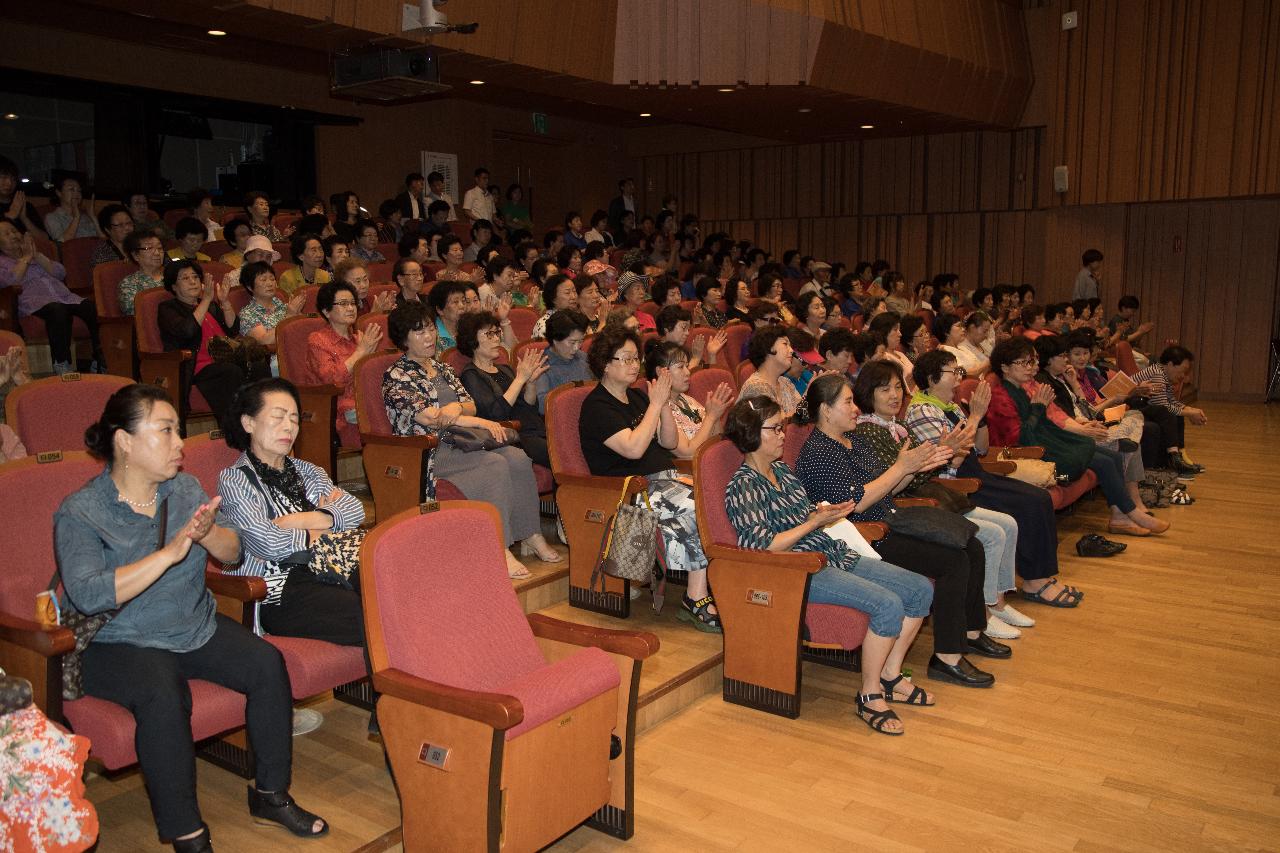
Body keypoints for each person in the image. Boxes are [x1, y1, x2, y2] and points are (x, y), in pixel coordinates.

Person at [56, 384, 327, 851]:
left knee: (266, 664)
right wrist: (169, 553)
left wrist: (207, 534)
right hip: (122, 640)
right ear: (124, 441)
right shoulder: (82, 512)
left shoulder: (182, 488)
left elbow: (233, 550)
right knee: (163, 695)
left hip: (193, 625)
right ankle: (187, 832)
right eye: (166, 431)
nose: (181, 443)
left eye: (179, 430)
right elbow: (88, 593)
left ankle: (270, 794)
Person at [723, 395, 935, 734]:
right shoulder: (743, 485)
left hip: (829, 551)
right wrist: (812, 523)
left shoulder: (781, 470)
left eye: (783, 426)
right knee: (887, 605)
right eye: (775, 428)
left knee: (920, 589)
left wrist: (825, 515)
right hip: (799, 569)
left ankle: (890, 676)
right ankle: (869, 695)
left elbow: (805, 516)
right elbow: (761, 544)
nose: (782, 435)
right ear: (751, 435)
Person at [795, 369, 1000, 687]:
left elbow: (888, 486)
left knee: (970, 544)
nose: (855, 409)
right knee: (952, 561)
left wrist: (915, 465)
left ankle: (971, 631)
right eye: (848, 402)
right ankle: (946, 658)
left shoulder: (852, 441)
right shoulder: (818, 453)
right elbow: (854, 505)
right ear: (825, 410)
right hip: (863, 535)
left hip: (888, 518)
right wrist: (902, 467)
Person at [382, 302, 554, 575]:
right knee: (494, 465)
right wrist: (462, 414)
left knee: (518, 457)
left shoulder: (443, 369)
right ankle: (500, 546)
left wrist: (456, 410)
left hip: (463, 440)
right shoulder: (397, 375)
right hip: (429, 449)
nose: (429, 337)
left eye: (429, 329)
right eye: (419, 332)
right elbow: (429, 418)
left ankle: (531, 533)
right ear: (404, 339)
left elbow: (470, 404)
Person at [217, 376, 369, 659]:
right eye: (277, 417)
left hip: (331, 564)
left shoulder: (308, 471)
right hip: (279, 588)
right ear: (248, 423)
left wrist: (295, 521)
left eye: (294, 419)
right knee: (374, 619)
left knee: (396, 591)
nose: (289, 426)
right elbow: (267, 543)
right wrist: (322, 526)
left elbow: (355, 510)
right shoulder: (235, 479)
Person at [580, 326, 720, 631]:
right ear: (606, 363)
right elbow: (633, 449)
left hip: (663, 479)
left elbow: (669, 443)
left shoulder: (636, 397)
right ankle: (696, 596)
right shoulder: (597, 406)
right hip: (631, 492)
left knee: (720, 498)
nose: (634, 365)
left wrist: (663, 403)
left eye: (636, 359)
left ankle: (710, 586)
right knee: (700, 506)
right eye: (627, 359)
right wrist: (656, 404)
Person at [985, 336, 1169, 537]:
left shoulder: (1022, 388)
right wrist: (1039, 407)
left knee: (1113, 457)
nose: (1030, 367)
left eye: (1031, 361)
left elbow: (1047, 422)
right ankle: (1128, 514)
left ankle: (1120, 515)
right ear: (1004, 367)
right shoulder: (1001, 397)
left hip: (1046, 442)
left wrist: (1042, 408)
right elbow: (1021, 438)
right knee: (1104, 461)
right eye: (1023, 363)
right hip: (1024, 453)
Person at [158, 259, 259, 430]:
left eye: (196, 277)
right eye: (185, 278)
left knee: (258, 366)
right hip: (196, 366)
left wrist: (225, 302)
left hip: (225, 359)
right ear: (173, 286)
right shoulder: (168, 308)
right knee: (230, 372)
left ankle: (258, 421)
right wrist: (205, 300)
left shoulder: (211, 306)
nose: (193, 281)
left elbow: (232, 329)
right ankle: (235, 429)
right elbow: (187, 331)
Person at [0, 219, 104, 374]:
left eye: (14, 231)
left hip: (65, 297)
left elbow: (60, 273)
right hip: (34, 303)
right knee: (58, 310)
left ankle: (100, 360)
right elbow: (11, 281)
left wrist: (37, 255)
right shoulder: (2, 262)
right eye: (7, 233)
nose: (14, 235)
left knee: (91, 307)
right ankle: (62, 363)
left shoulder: (36, 255)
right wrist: (26, 258)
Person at [458, 310, 552, 469]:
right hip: (511, 437)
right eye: (490, 334)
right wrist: (520, 379)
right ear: (472, 339)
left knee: (570, 447)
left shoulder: (505, 369)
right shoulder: (470, 375)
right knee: (561, 457)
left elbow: (527, 407)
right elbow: (495, 414)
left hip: (531, 430)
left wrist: (530, 383)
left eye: (497, 332)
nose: (497, 338)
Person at [307, 280, 384, 447]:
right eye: (343, 304)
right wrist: (361, 353)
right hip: (337, 407)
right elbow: (332, 381)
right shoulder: (318, 340)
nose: (350, 308)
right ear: (327, 311)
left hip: (364, 401)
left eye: (352, 303)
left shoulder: (360, 338)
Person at [644, 340, 734, 458]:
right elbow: (688, 453)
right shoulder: (657, 409)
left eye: (686, 366)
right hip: (684, 472)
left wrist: (716, 417)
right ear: (661, 372)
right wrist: (711, 417)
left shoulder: (687, 400)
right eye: (680, 367)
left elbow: (718, 440)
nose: (687, 372)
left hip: (710, 462)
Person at [1130, 345, 1208, 474]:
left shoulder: (1162, 373)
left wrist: (1191, 409)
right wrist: (1189, 412)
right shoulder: (1157, 374)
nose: (1183, 376)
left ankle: (1179, 457)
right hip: (1132, 406)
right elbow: (1163, 406)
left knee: (1176, 415)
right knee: (1168, 414)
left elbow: (1170, 401)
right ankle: (1175, 458)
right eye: (1183, 371)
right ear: (1171, 364)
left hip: (1145, 406)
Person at [737, 325, 806, 420]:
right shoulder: (756, 387)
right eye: (785, 344)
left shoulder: (785, 382)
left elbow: (799, 419)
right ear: (768, 347)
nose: (791, 350)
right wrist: (807, 397)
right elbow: (777, 425)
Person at [533, 309, 592, 413]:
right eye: (572, 342)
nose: (577, 348)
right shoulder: (541, 366)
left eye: (581, 341)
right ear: (555, 340)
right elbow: (543, 406)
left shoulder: (584, 358)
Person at [237, 260, 304, 349]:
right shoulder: (248, 314)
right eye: (263, 279)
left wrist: (298, 315)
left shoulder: (285, 306)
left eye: (272, 279)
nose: (270, 283)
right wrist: (289, 316)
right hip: (275, 358)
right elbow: (264, 341)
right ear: (250, 286)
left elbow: (304, 331)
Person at [117, 231, 167, 315]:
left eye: (160, 248)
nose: (157, 253)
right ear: (135, 255)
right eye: (149, 248)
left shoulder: (175, 274)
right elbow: (134, 311)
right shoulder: (129, 283)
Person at [0, 156, 46, 238]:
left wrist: (24, 218)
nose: (9, 183)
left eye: (13, 179)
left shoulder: (25, 206)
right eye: (4, 178)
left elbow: (45, 240)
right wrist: (10, 215)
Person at [278, 233, 331, 297]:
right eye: (314, 250)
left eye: (320, 249)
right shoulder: (288, 278)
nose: (319, 255)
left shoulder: (325, 276)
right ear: (301, 256)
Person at [530, 272, 578, 340]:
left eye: (574, 291)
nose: (573, 297)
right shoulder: (545, 326)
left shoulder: (577, 318)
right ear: (553, 298)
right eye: (567, 293)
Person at [90, 204, 134, 268]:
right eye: (120, 225)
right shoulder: (102, 255)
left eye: (129, 223)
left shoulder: (139, 246)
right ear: (108, 230)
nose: (127, 227)